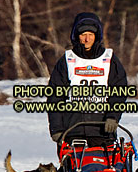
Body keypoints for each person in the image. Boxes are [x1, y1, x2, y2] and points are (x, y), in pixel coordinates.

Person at [48, 11, 128, 149]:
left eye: (91, 35)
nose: (87, 39)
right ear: (76, 36)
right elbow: (55, 96)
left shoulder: (109, 59)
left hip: (102, 131)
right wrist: (56, 129)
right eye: (83, 35)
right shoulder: (67, 60)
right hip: (72, 131)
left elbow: (119, 92)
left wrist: (113, 117)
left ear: (97, 36)